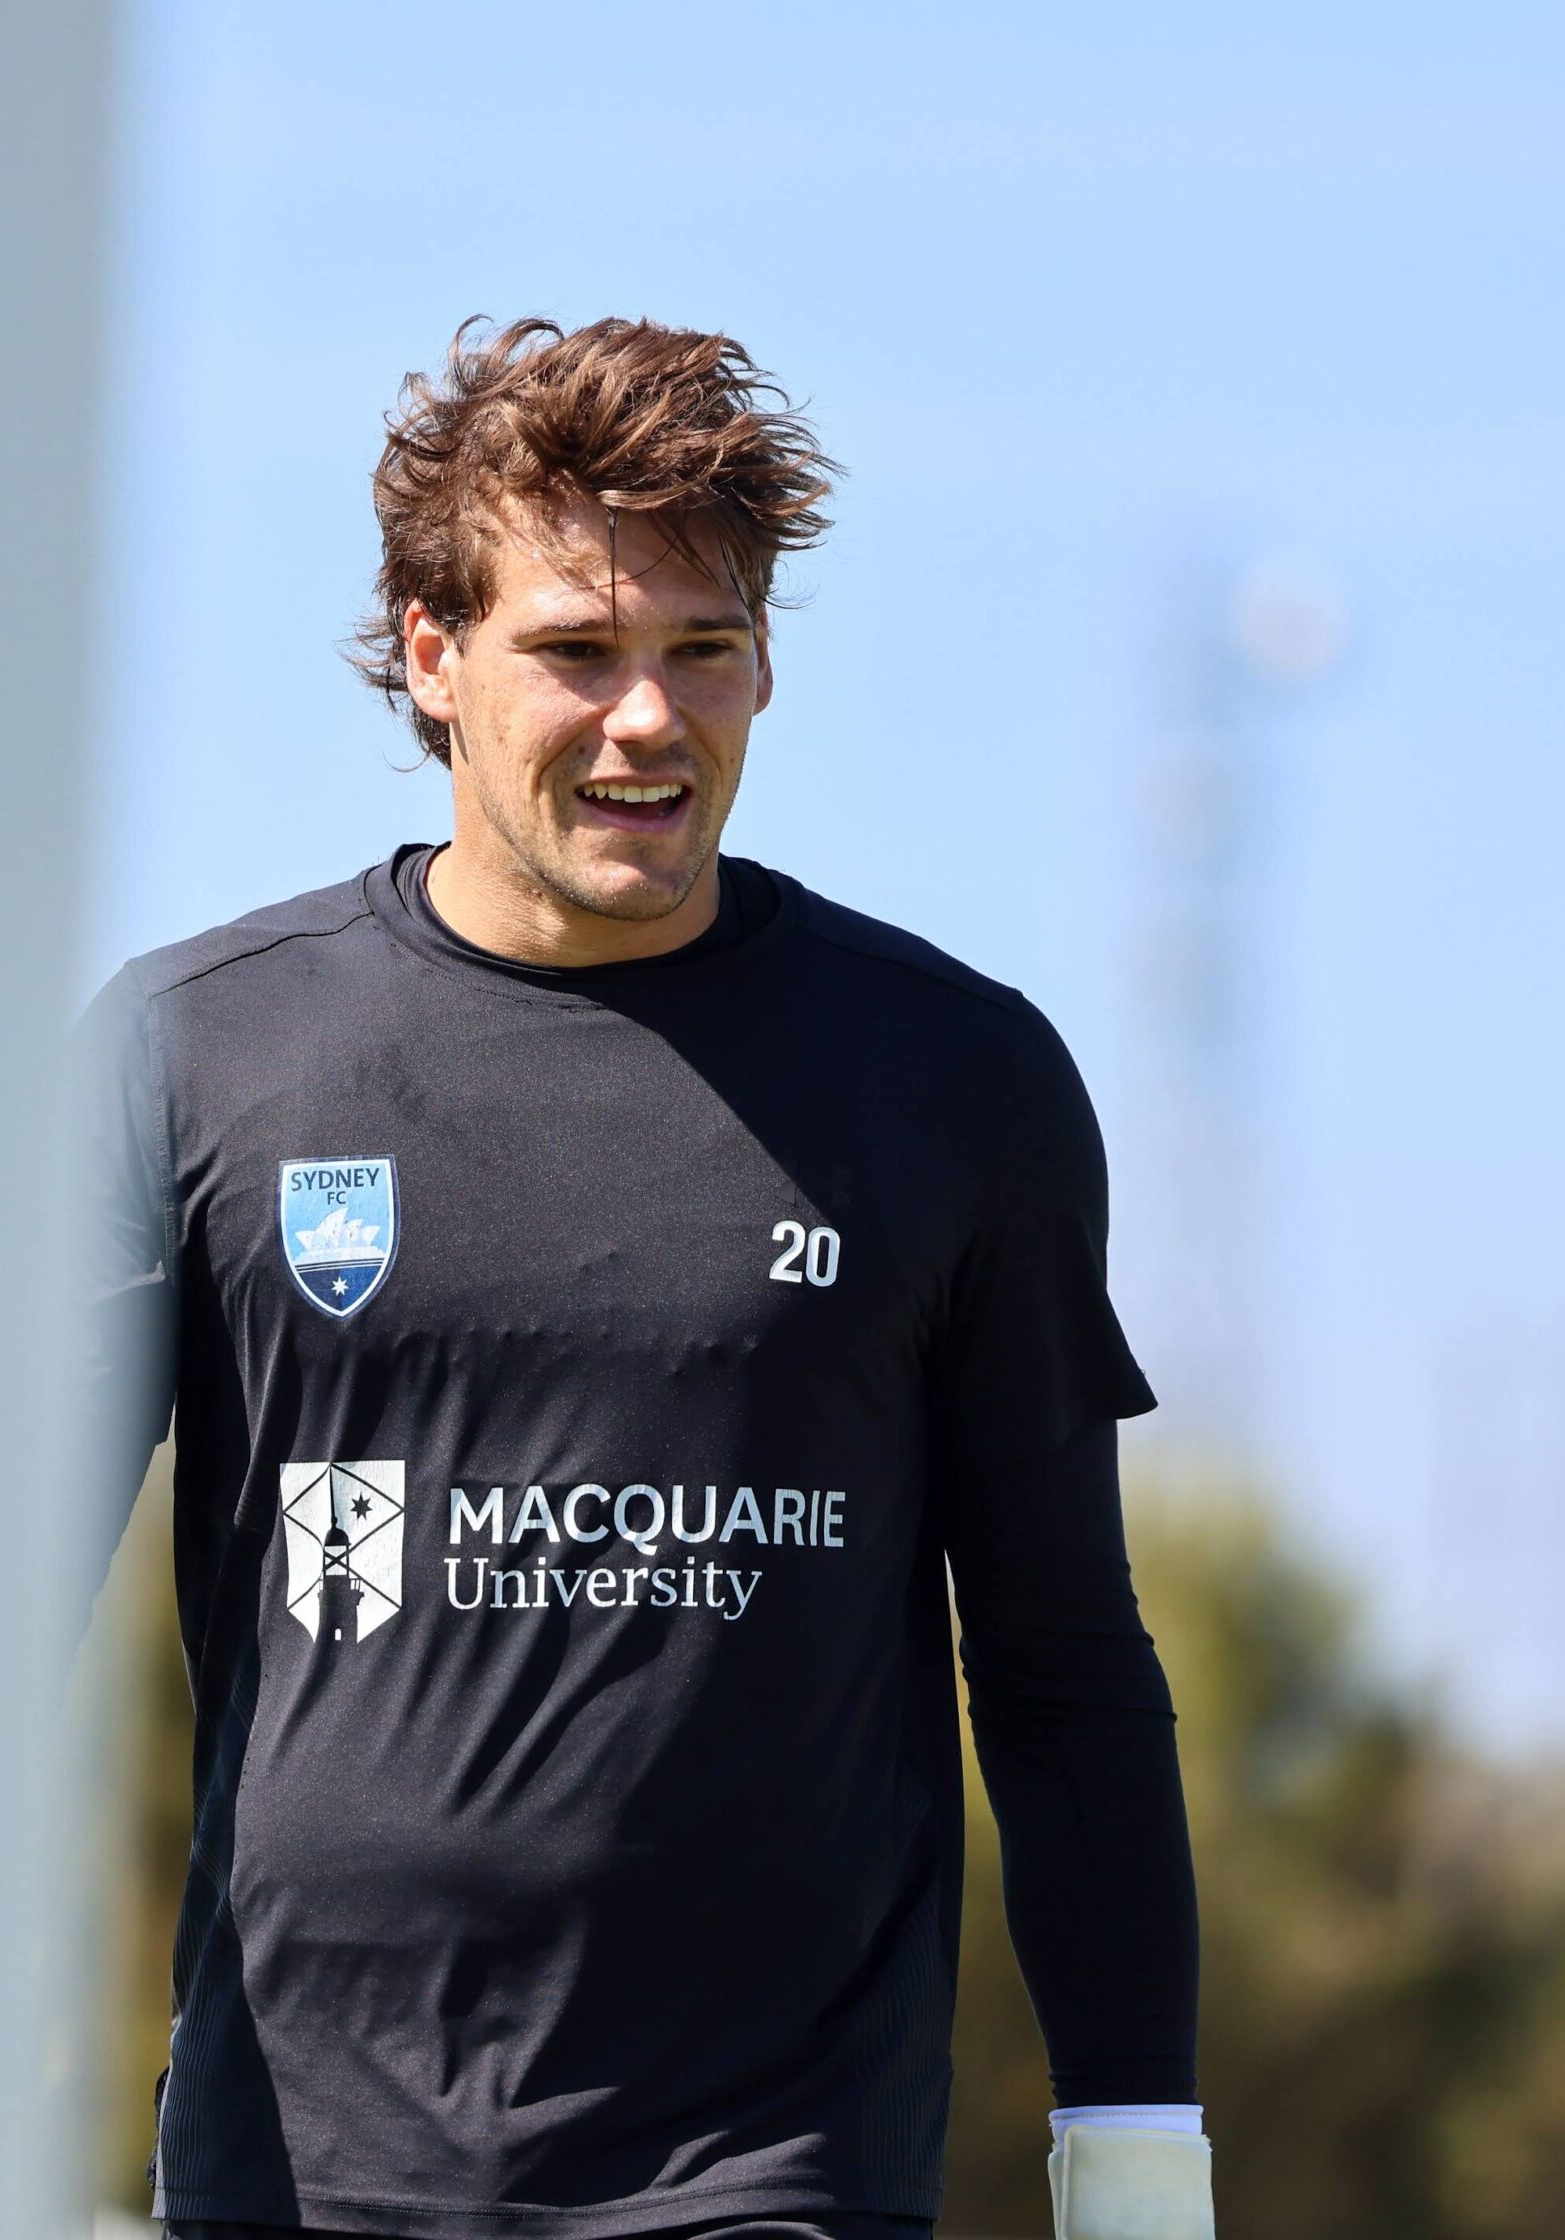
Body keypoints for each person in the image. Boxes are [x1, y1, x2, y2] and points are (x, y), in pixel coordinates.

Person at [79, 318, 1215, 2240]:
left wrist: (1135, 2156)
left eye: (700, 651)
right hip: (299, 2167)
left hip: (768, 2170)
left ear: (766, 665)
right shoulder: (201, 1057)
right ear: (433, 658)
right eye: (574, 651)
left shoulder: (949, 1079)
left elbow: (1058, 1662)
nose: (644, 719)